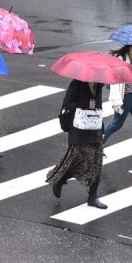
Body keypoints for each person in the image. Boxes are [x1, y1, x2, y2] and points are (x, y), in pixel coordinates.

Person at [46, 80, 107, 209]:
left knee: (97, 162)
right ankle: (60, 179)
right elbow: (67, 105)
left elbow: (99, 106)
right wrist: (85, 104)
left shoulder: (99, 84)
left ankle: (93, 197)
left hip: (94, 127)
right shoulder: (77, 83)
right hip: (79, 129)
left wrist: (102, 128)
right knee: (77, 160)